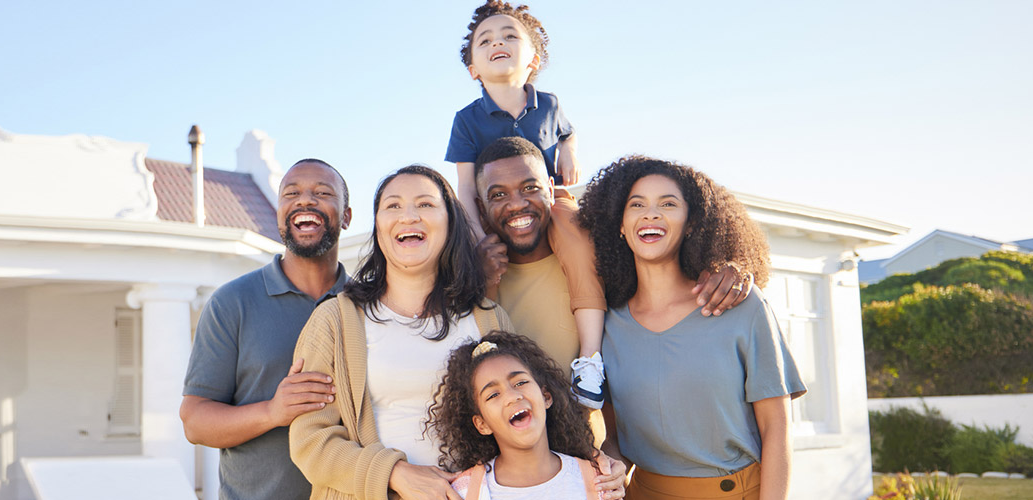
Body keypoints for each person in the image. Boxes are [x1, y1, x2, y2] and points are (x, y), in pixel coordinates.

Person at [578, 156, 806, 500]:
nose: (651, 213)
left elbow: (777, 429)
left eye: (668, 204)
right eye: (636, 204)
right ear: (620, 225)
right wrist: (612, 463)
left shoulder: (739, 305)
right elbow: (615, 436)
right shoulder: (608, 325)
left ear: (690, 223)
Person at [470, 137, 754, 410]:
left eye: (530, 188)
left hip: (597, 454)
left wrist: (730, 266)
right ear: (480, 207)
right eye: (498, 195)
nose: (517, 203)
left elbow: (666, 251)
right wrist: (481, 283)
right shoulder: (471, 281)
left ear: (551, 189)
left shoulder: (602, 258)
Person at [289, 165, 508, 500]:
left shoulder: (490, 320)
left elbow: (523, 424)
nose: (409, 216)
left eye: (425, 204)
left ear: (450, 222)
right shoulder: (335, 320)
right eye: (393, 206)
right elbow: (310, 441)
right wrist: (394, 473)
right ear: (377, 226)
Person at [181, 159, 354, 500]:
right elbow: (195, 421)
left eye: (322, 192)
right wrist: (273, 412)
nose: (305, 201)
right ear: (279, 215)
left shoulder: (368, 305)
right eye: (291, 193)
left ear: (347, 216)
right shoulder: (232, 302)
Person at [427, 332, 625, 500]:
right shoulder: (464, 491)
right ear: (482, 424)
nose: (513, 397)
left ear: (546, 397)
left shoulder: (598, 481)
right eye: (493, 394)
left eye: (520, 383)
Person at [447, 1, 577, 239]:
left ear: (533, 61)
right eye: (485, 41)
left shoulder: (550, 104)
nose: (498, 42)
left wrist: (568, 152)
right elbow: (466, 187)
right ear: (473, 70)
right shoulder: (466, 120)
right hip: (495, 211)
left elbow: (568, 134)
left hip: (549, 200)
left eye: (510, 36)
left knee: (577, 233)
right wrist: (477, 236)